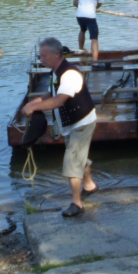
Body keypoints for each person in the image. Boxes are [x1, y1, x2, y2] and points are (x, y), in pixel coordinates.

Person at [21, 37, 99, 217]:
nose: (41, 59)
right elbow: (52, 92)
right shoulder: (56, 71)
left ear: (56, 54)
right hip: (73, 124)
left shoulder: (69, 74)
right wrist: (36, 101)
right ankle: (89, 185)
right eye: (40, 56)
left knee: (72, 161)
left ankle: (76, 204)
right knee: (79, 157)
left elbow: (58, 100)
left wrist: (33, 107)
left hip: (81, 122)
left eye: (44, 56)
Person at [73, 0, 104, 64]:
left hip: (79, 15)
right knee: (94, 37)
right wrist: (94, 8)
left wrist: (82, 7)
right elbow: (100, 3)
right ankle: (95, 62)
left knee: (82, 30)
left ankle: (81, 50)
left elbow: (74, 2)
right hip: (90, 16)